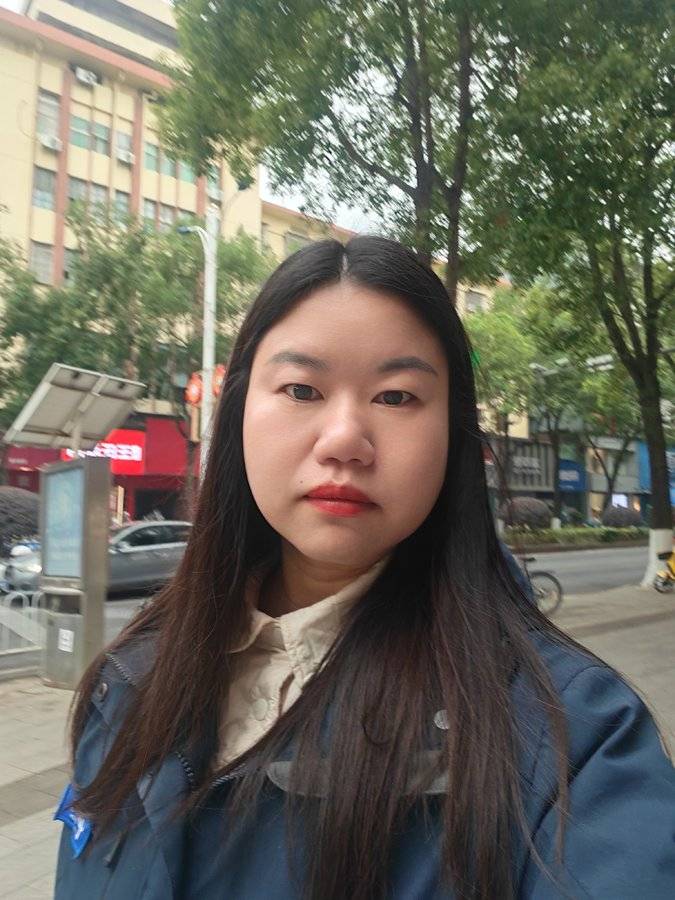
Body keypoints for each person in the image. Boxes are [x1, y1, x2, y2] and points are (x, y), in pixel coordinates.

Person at [54, 237, 675, 899]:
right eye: (301, 389)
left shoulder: (572, 740)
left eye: (396, 397)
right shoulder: (130, 683)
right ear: (237, 413)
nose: (345, 439)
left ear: (453, 435)